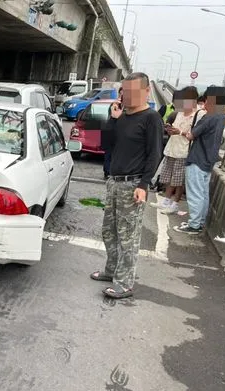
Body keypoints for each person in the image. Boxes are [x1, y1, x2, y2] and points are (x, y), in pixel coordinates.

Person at [90, 72, 164, 299]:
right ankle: (111, 271)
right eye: (125, 91)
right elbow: (105, 145)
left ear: (146, 91)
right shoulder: (122, 117)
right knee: (109, 232)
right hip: (114, 182)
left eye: (134, 91)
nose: (129, 96)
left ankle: (124, 283)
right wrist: (112, 119)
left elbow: (155, 154)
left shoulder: (151, 118)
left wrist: (144, 184)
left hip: (133, 185)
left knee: (128, 236)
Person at [174, 86, 225, 234]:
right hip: (209, 161)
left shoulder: (208, 117)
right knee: (203, 194)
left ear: (210, 100)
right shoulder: (222, 117)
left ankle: (194, 225)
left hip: (198, 159)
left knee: (195, 194)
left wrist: (180, 131)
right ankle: (200, 222)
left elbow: (192, 135)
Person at [154, 86, 202, 214]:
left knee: (179, 180)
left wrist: (179, 132)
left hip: (184, 151)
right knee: (169, 176)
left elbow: (195, 134)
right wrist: (170, 129)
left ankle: (175, 204)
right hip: (172, 148)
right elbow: (175, 129)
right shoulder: (180, 112)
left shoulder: (198, 114)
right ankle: (166, 200)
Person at [102, 87, 123, 178]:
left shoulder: (126, 105)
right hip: (111, 132)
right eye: (121, 94)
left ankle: (111, 172)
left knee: (114, 154)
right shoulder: (115, 104)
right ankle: (107, 173)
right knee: (109, 153)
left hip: (117, 132)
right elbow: (113, 116)